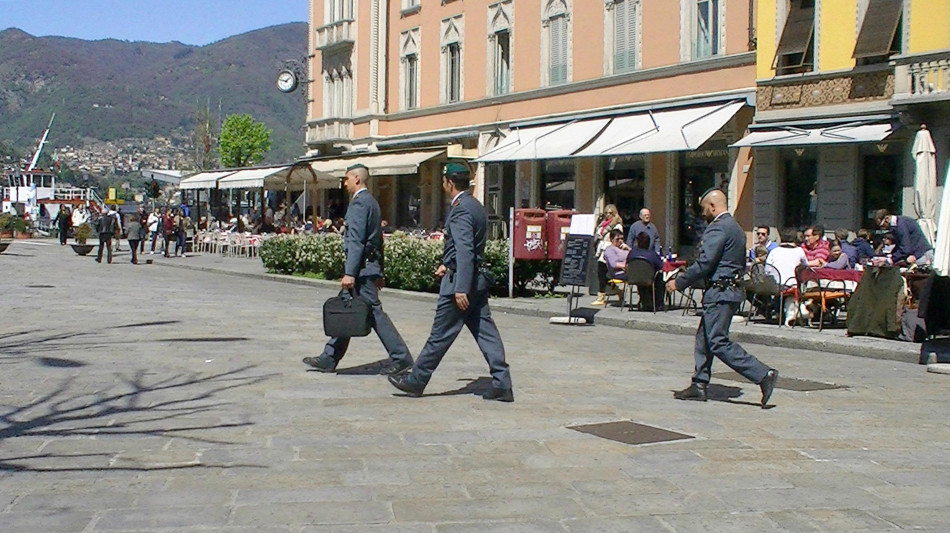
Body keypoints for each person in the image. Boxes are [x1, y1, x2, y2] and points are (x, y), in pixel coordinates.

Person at [388, 164, 514, 402]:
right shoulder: (475, 206)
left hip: (462, 282)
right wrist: (447, 263)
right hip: (475, 279)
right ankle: (502, 381)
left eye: (444, 181)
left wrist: (460, 287)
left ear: (449, 182)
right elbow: (464, 248)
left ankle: (416, 379)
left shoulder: (460, 210)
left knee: (440, 334)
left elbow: (466, 249)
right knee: (486, 333)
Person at [665, 189, 778, 408]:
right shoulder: (736, 228)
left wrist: (679, 281)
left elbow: (705, 262)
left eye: (704, 208)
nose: (703, 213)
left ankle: (763, 374)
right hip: (729, 290)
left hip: (720, 291)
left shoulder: (718, 228)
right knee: (705, 338)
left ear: (713, 207)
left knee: (717, 340)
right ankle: (699, 383)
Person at [303, 164, 414, 376]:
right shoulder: (371, 202)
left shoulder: (359, 204)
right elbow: (377, 240)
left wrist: (350, 273)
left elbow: (356, 241)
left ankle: (401, 358)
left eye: (346, 179)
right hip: (368, 267)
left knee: (372, 313)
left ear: (356, 179)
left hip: (361, 270)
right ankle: (329, 357)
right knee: (348, 309)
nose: (344, 184)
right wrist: (379, 270)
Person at [592, 204, 624, 306]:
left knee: (602, 273)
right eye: (606, 213)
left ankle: (601, 297)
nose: (609, 215)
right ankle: (617, 290)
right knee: (601, 274)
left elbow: (618, 240)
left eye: (611, 213)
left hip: (610, 252)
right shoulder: (603, 224)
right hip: (601, 251)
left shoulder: (617, 225)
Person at [625, 231, 664, 311]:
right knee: (660, 277)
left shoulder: (632, 253)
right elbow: (660, 267)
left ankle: (645, 301)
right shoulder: (652, 255)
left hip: (633, 278)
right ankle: (658, 303)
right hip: (649, 280)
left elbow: (627, 264)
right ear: (649, 243)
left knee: (641, 275)